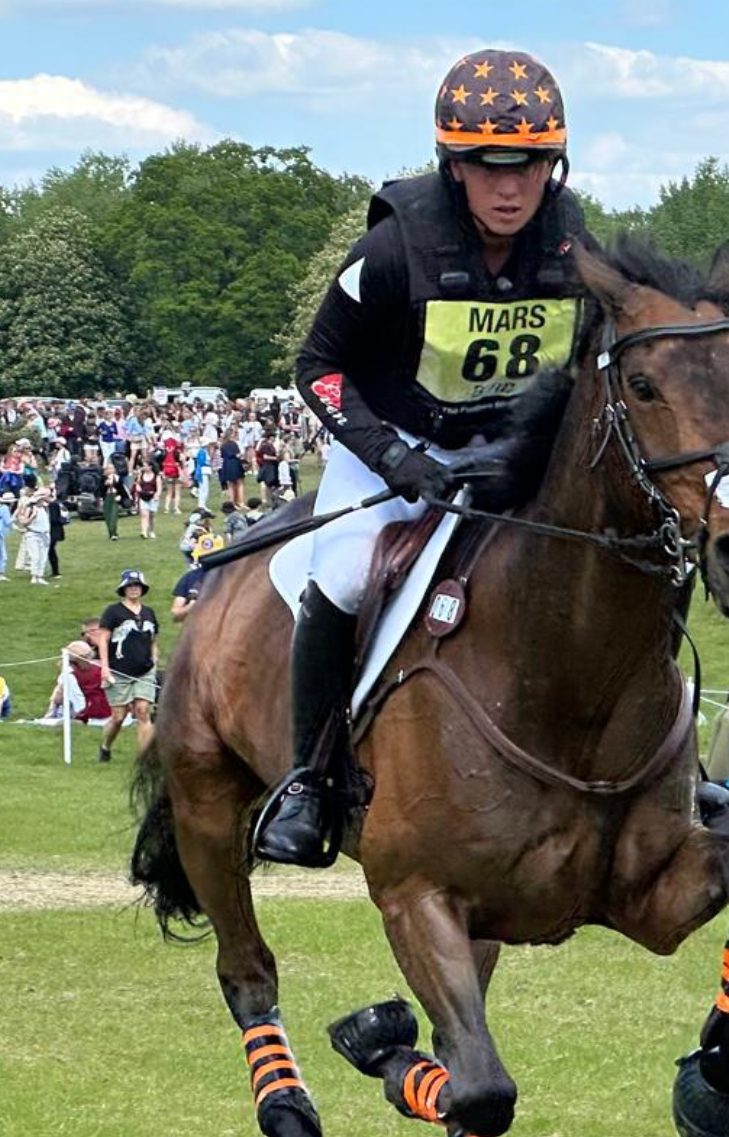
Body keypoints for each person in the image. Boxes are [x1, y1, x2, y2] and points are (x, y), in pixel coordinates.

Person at [254, 47, 590, 865]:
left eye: (532, 167)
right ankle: (309, 778)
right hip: (395, 447)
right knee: (337, 574)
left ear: (555, 165)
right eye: (487, 167)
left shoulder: (573, 243)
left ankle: (666, 768)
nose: (511, 189)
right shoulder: (392, 250)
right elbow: (317, 369)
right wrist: (398, 465)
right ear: (452, 167)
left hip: (506, 451)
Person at [96, 569, 160, 761]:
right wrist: (105, 668)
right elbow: (103, 640)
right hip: (119, 670)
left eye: (137, 585)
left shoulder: (149, 612)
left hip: (144, 671)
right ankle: (105, 747)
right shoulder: (113, 611)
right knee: (119, 716)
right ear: (123, 589)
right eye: (130, 586)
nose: (133, 589)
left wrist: (154, 661)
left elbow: (153, 640)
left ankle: (145, 759)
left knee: (142, 711)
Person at [170, 533, 224, 621]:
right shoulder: (189, 577)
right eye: (204, 556)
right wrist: (190, 607)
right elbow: (175, 614)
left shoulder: (231, 576)